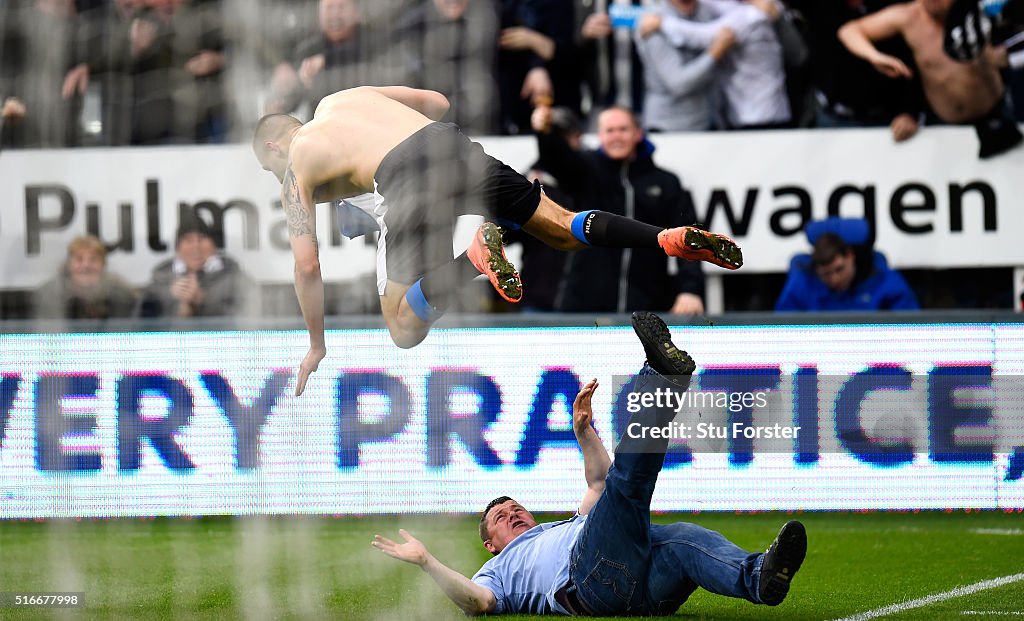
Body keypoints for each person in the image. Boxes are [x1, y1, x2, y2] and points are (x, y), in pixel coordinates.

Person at [252, 85, 743, 394]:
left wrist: (316, 344)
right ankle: (665, 238)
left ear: (275, 147)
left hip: (403, 176)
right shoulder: (342, 99)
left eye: (268, 167)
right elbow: (437, 103)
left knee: (402, 327)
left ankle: (471, 257)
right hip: (449, 142)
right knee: (563, 227)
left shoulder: (295, 168)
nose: (276, 177)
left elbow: (308, 266)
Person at [372, 311, 807, 616]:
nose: (513, 514)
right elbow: (479, 603)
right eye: (501, 518)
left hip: (640, 595)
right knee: (626, 488)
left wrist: (583, 432)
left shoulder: (559, 528)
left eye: (515, 508)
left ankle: (759, 579)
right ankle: (661, 380)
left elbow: (597, 482)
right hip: (588, 581)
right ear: (490, 543)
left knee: (682, 540)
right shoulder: (496, 569)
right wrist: (428, 562)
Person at [533, 104, 707, 315]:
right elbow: (558, 161)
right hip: (583, 308)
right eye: (609, 130)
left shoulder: (667, 182)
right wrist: (544, 132)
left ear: (638, 133)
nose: (616, 136)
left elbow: (688, 238)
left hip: (648, 310)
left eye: (623, 129)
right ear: (600, 136)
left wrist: (690, 290)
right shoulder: (586, 171)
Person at [839, 0, 1023, 158]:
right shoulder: (909, 17)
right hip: (943, 122)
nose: (933, 3)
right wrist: (874, 56)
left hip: (997, 111)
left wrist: (1003, 54)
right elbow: (849, 31)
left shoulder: (981, 11)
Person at [634, 0, 737, 132]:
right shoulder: (651, 22)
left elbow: (743, 16)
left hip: (711, 120)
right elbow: (678, 83)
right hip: (669, 126)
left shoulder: (708, 12)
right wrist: (715, 52)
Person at [775, 217, 919, 311]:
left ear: (850, 256)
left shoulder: (885, 281)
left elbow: (913, 331)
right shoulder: (801, 284)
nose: (834, 279)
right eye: (826, 274)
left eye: (839, 269)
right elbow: (781, 333)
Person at [139, 213, 258, 318]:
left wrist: (204, 302)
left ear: (214, 246)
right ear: (178, 248)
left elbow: (251, 319)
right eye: (188, 240)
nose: (195, 246)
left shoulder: (236, 279)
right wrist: (176, 308)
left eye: (202, 239)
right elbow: (139, 326)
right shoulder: (158, 284)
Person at [32, 235, 138, 320]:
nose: (86, 266)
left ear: (103, 265)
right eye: (79, 259)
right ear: (69, 264)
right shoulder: (50, 294)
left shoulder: (122, 295)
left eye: (93, 260)